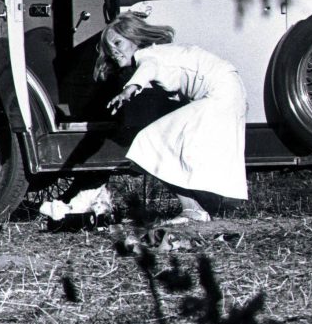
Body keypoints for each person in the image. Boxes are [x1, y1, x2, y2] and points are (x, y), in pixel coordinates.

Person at [95, 12, 248, 224]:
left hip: (220, 93)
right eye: (109, 48)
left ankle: (193, 210)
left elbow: (149, 68)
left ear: (135, 39)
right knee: (178, 148)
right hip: (230, 90)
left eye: (118, 42)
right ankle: (203, 207)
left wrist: (128, 90)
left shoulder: (146, 56)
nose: (114, 51)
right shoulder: (160, 53)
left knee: (152, 142)